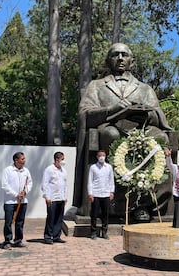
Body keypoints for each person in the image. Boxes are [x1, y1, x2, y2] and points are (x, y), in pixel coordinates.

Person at [73, 43, 173, 214]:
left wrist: (144, 114)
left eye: (124, 55)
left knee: (161, 138)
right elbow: (84, 113)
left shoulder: (144, 88)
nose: (120, 58)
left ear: (131, 61)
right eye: (115, 55)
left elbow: (158, 115)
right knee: (111, 134)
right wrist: (113, 110)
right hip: (110, 127)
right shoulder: (96, 86)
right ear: (108, 61)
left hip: (141, 129)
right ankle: (116, 205)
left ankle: (149, 203)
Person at [1, 152, 33, 249]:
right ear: (16, 160)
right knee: (8, 222)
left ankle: (18, 240)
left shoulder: (26, 171)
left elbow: (30, 183)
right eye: (22, 159)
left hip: (22, 201)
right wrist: (16, 195)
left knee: (20, 222)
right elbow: (4, 185)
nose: (24, 161)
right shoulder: (8, 170)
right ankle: (7, 241)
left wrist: (25, 192)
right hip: (10, 201)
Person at [87, 150, 115, 240]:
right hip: (96, 194)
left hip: (106, 194)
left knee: (105, 214)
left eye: (103, 155)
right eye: (100, 155)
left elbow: (111, 180)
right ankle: (93, 232)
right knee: (94, 214)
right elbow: (90, 181)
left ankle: (104, 232)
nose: (102, 157)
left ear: (106, 156)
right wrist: (90, 193)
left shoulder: (109, 167)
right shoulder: (93, 167)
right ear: (97, 157)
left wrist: (112, 192)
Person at [41, 152, 67, 244]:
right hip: (52, 198)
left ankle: (56, 236)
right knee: (51, 218)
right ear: (57, 159)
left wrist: (65, 196)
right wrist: (47, 197)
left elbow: (64, 184)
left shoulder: (63, 170)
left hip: (61, 198)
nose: (64, 161)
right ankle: (48, 236)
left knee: (59, 218)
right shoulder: (49, 169)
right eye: (62, 159)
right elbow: (45, 184)